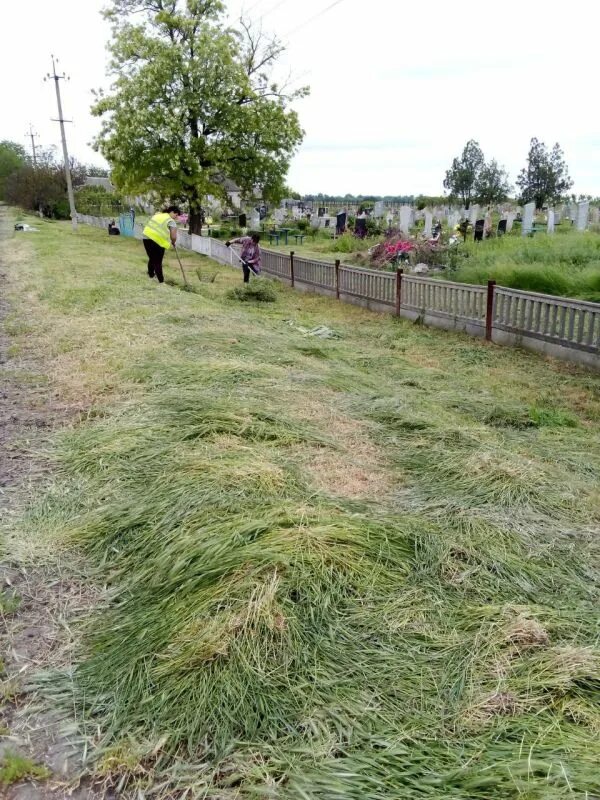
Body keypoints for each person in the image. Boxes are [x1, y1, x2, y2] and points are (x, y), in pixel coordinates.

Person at [142, 206, 181, 283]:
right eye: (176, 215)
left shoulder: (157, 215)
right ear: (172, 212)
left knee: (152, 258)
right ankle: (161, 281)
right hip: (157, 241)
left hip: (146, 237)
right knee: (157, 261)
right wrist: (173, 242)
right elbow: (173, 236)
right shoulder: (170, 221)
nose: (176, 218)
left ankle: (151, 275)